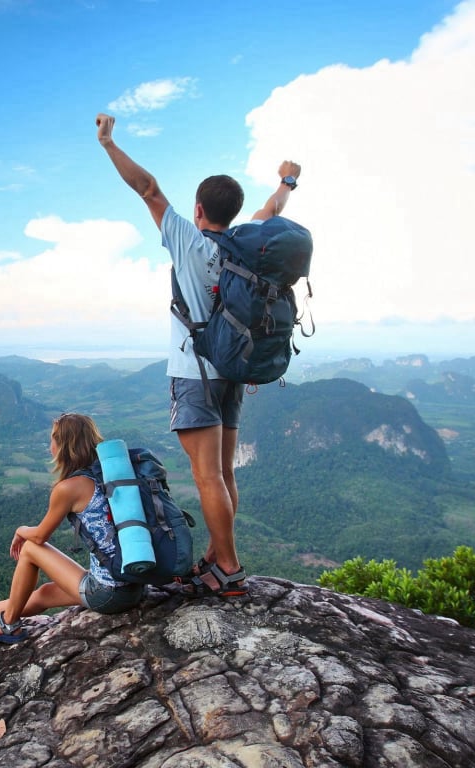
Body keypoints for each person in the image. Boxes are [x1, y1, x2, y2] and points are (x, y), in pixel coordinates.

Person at [96, 112, 300, 598]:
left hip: (195, 375)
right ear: (234, 211)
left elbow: (147, 188)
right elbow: (271, 211)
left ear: (198, 207)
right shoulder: (244, 246)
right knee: (224, 473)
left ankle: (228, 568)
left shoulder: (188, 240)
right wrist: (288, 181)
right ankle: (216, 554)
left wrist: (108, 143)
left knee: (207, 476)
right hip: (232, 371)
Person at [0, 413, 145, 643]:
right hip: (134, 585)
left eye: (52, 440)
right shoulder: (111, 476)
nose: (50, 447)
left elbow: (39, 536)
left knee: (29, 549)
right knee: (45, 593)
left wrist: (20, 529)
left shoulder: (69, 488)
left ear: (64, 446)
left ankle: (7, 624)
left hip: (109, 593)